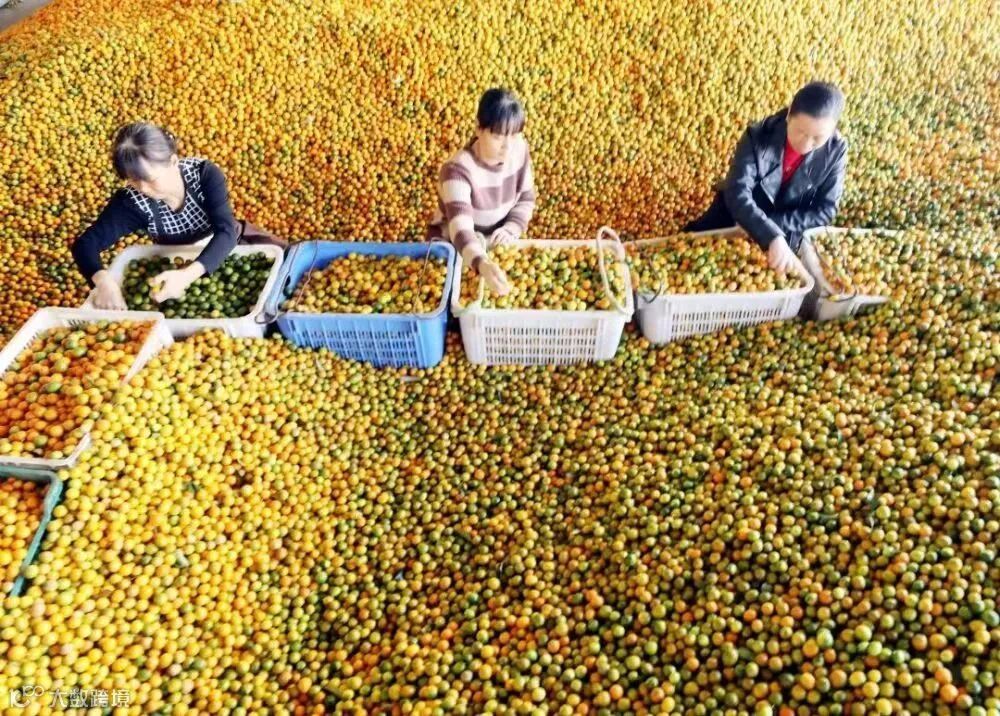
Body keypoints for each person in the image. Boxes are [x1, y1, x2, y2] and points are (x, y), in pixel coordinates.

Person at [72, 122, 284, 309]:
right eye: (134, 180)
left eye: (150, 179)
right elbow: (85, 245)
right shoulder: (132, 202)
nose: (143, 188)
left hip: (233, 247)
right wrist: (103, 281)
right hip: (178, 263)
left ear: (173, 161)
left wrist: (187, 275)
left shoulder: (204, 175)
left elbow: (226, 231)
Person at [685, 82, 848, 274]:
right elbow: (737, 191)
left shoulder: (836, 150)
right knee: (692, 258)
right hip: (735, 216)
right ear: (789, 115)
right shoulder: (758, 135)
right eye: (800, 132)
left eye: (818, 138)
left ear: (832, 130)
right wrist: (767, 232)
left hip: (785, 230)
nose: (806, 144)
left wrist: (771, 229)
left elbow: (825, 209)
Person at [428, 88, 537, 296]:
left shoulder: (520, 149)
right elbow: (461, 230)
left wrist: (512, 228)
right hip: (453, 247)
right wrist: (482, 263)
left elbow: (526, 198)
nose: (507, 147)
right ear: (478, 129)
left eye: (514, 135)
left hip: (495, 242)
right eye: (497, 136)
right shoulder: (457, 170)